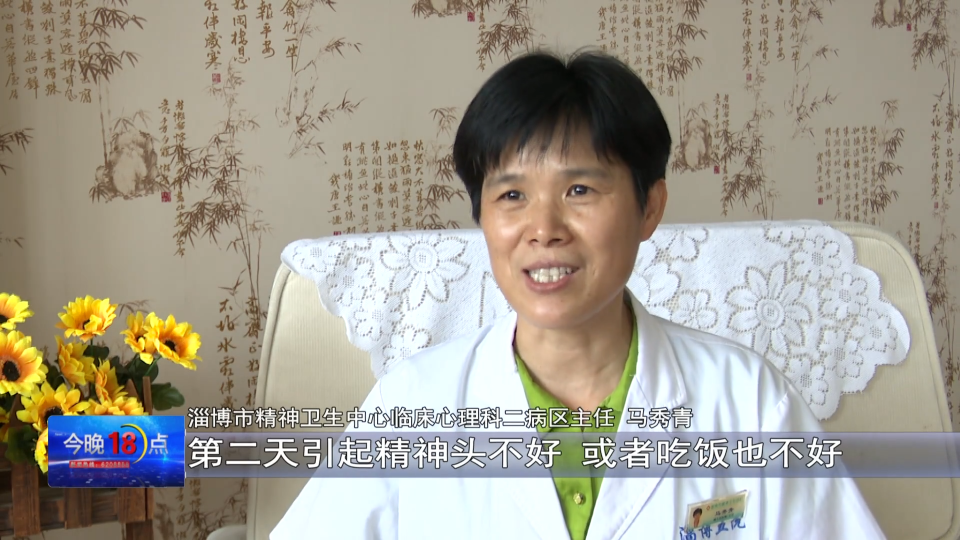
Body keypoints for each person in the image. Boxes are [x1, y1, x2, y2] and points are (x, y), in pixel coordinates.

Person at [272, 49, 885, 539]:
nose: (543, 229)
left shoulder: (749, 403)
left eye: (580, 191)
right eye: (512, 195)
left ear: (650, 207)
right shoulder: (411, 406)